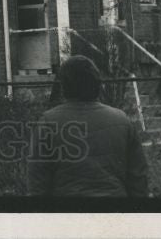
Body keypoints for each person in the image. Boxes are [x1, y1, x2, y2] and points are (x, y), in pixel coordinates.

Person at [28, 55, 148, 197]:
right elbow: (138, 178)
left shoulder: (48, 121)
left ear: (64, 85)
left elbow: (38, 181)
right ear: (97, 84)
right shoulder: (122, 120)